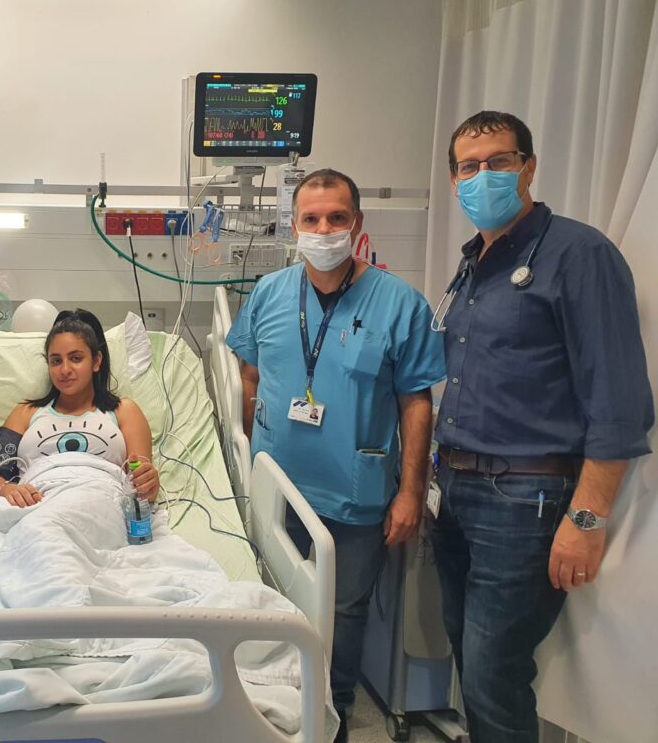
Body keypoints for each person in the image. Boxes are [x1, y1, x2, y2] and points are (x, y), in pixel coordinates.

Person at [430, 110, 654, 743]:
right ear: (454, 180)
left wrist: (587, 519)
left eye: (498, 162)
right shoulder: (474, 262)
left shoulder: (579, 255)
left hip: (524, 500)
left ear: (527, 167)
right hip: (458, 489)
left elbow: (618, 401)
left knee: (494, 675)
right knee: (471, 660)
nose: (483, 176)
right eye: (468, 167)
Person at [226, 169, 445, 743]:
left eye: (336, 218)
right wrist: (251, 452)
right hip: (278, 488)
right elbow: (249, 374)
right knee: (274, 601)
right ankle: (276, 708)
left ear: (357, 224)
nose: (323, 230)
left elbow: (416, 402)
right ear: (294, 224)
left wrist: (410, 492)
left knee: (344, 613)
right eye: (311, 219)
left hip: (355, 492)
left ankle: (335, 711)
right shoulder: (269, 294)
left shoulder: (400, 304)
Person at [0, 309, 160, 505]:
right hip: (37, 505)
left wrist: (149, 484)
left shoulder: (124, 411)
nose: (65, 370)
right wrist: (8, 490)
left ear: (96, 361)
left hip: (101, 502)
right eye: (56, 361)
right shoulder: (25, 413)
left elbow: (142, 487)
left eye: (76, 358)